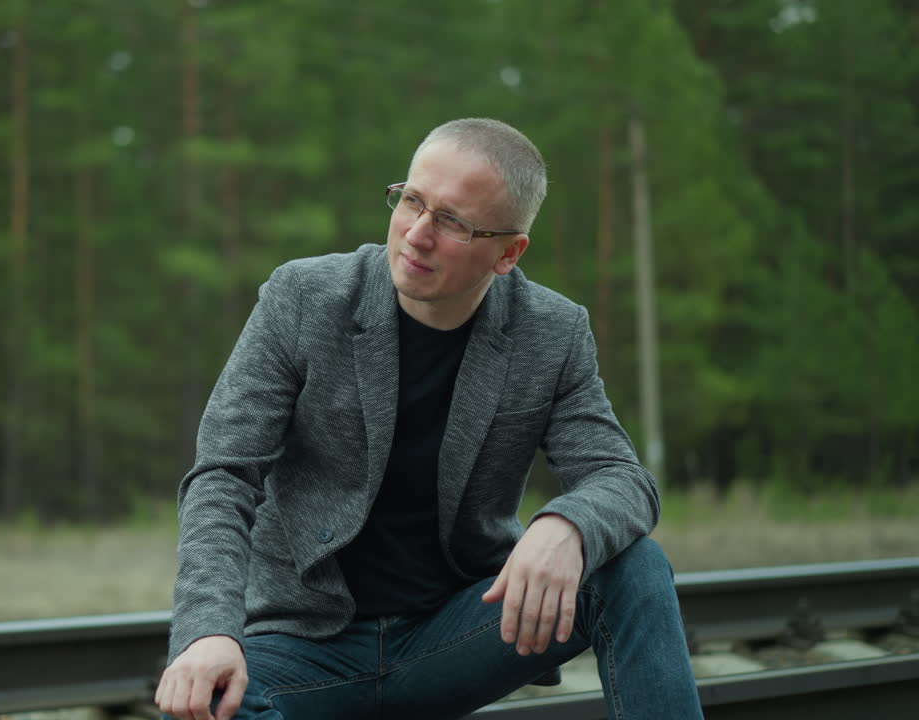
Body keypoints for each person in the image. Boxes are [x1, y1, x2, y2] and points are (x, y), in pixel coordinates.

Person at [154, 118, 703, 720]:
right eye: (412, 201)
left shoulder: (552, 332)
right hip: (303, 646)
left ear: (509, 252)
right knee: (207, 703)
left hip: (451, 640)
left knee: (633, 564)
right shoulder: (305, 298)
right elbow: (223, 476)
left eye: (452, 222)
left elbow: (623, 477)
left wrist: (566, 526)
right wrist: (208, 632)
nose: (416, 234)